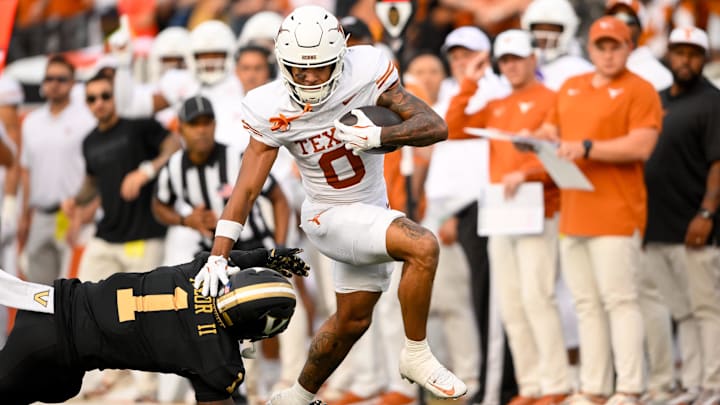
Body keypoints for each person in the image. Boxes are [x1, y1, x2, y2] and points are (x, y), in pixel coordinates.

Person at [194, 5, 466, 404]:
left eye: (319, 68)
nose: (307, 78)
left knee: (351, 322)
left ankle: (298, 395)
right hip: (327, 214)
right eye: (298, 69)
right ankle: (416, 354)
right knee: (422, 245)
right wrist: (219, 254)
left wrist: (382, 135)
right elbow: (247, 188)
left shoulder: (367, 69)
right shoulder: (269, 105)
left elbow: (435, 126)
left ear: (341, 58)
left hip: (371, 207)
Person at [536, 16, 663, 405]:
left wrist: (587, 147)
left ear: (630, 48)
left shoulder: (641, 90)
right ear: (590, 49)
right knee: (587, 304)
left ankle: (629, 387)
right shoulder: (571, 87)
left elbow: (641, 145)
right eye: (601, 46)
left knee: (620, 300)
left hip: (616, 212)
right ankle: (593, 387)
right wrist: (543, 137)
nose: (608, 54)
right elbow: (549, 127)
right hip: (574, 210)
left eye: (616, 46)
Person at [0, 247, 309, 405]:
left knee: (65, 388)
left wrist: (263, 257)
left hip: (48, 301)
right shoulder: (216, 360)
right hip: (53, 350)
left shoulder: (200, 270)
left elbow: (224, 257)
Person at [445, 29, 570, 405]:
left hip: (540, 208)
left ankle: (555, 384)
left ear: (534, 59)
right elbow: (452, 126)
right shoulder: (497, 103)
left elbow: (558, 151)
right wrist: (470, 79)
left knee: (538, 298)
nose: (512, 67)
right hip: (502, 211)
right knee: (511, 303)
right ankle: (531, 385)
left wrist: (528, 173)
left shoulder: (552, 99)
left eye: (517, 58)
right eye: (505, 61)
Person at [642, 26, 720, 405]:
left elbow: (719, 162)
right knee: (682, 311)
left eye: (693, 53)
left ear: (703, 58)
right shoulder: (656, 100)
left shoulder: (713, 101)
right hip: (656, 223)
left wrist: (707, 211)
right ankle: (692, 384)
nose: (685, 60)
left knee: (708, 308)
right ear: (669, 55)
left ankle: (715, 385)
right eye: (679, 52)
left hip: (696, 224)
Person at [153, 95, 290, 258]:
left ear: (215, 125)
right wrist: (185, 220)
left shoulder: (237, 159)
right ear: (180, 129)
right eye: (194, 124)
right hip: (212, 252)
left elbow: (279, 199)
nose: (201, 130)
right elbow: (159, 204)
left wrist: (280, 248)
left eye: (206, 123)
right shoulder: (174, 167)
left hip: (254, 247)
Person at [18, 54, 96, 285]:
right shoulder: (31, 122)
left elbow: (97, 170)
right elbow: (26, 172)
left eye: (61, 79)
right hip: (40, 214)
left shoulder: (87, 119)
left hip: (73, 214)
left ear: (73, 83)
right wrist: (24, 217)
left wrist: (86, 212)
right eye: (49, 78)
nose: (54, 84)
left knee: (74, 289)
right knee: (39, 291)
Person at [605, 0, 673, 91]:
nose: (619, 25)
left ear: (641, 28)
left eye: (628, 19)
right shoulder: (596, 68)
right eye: (614, 18)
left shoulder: (658, 74)